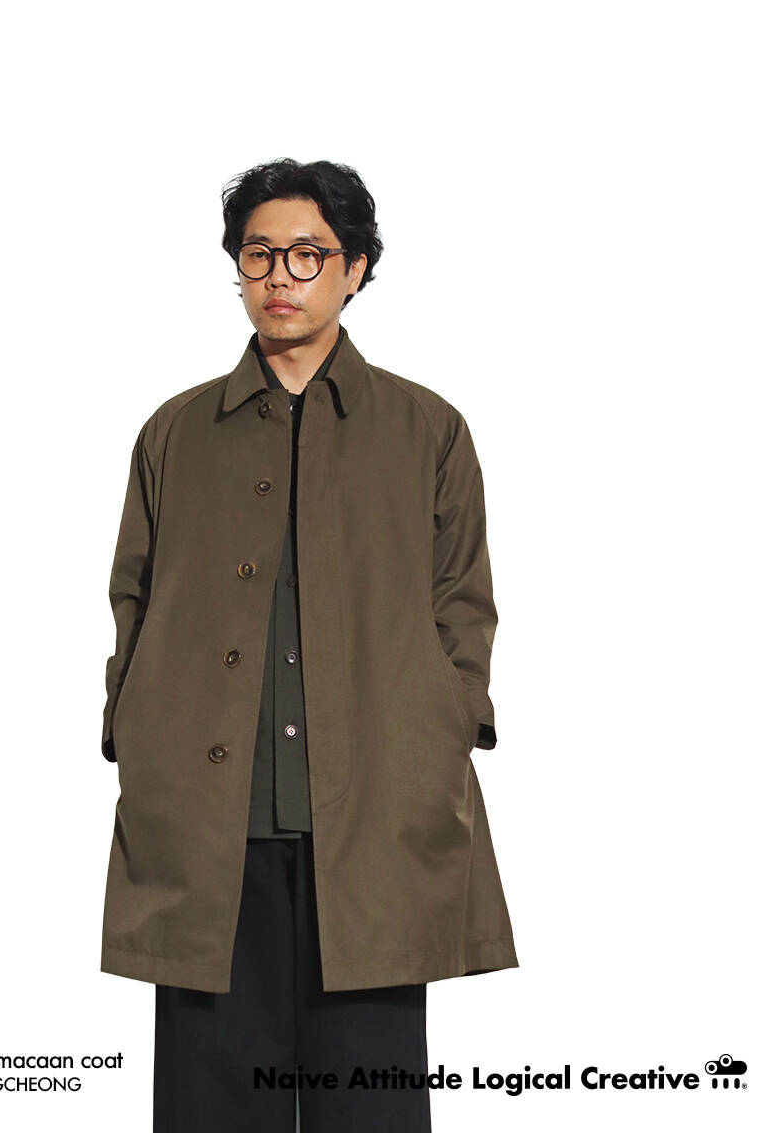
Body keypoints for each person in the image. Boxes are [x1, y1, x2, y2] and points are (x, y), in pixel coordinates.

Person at [100, 157, 518, 1131]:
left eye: (307, 254)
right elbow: (134, 599)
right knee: (210, 1112)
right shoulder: (175, 433)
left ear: (355, 268)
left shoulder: (427, 429)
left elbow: (463, 604)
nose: (279, 276)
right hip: (207, 837)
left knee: (369, 1113)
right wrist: (132, 729)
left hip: (375, 829)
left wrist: (446, 725)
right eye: (258, 254)